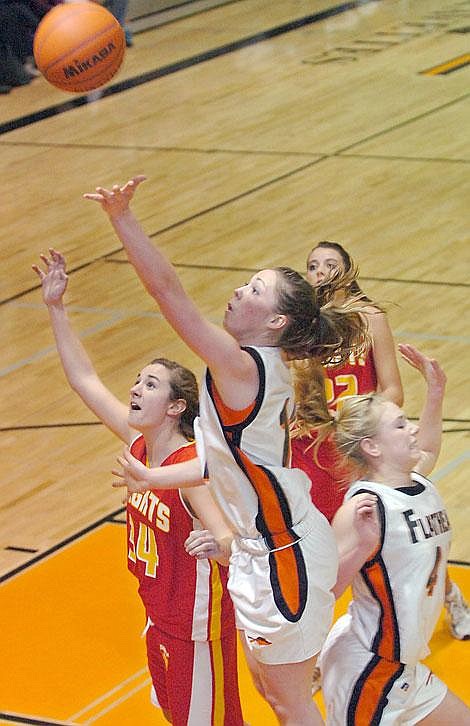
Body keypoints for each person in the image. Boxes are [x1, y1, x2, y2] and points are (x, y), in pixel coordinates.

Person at [83, 175, 369, 725]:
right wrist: (155, 478)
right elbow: (222, 461)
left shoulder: (241, 368)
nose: (240, 291)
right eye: (247, 283)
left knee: (289, 702)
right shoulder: (254, 370)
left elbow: (169, 295)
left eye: (256, 291)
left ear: (276, 322)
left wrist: (123, 219)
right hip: (264, 550)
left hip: (283, 557)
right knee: (274, 693)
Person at [32, 249, 244, 726]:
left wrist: (220, 543)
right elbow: (84, 380)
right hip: (158, 617)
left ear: (176, 407)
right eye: (137, 382)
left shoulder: (188, 469)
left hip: (197, 631)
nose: (135, 390)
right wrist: (57, 308)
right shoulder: (140, 448)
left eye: (151, 385)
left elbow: (230, 541)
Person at [292, 241, 469, 642]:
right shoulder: (301, 329)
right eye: (312, 265)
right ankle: (314, 646)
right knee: (322, 556)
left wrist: (349, 420)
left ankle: (450, 596)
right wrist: (304, 419)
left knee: (399, 545)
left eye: (329, 264)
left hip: (361, 449)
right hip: (314, 454)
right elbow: (293, 396)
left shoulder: (369, 318)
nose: (319, 271)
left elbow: (393, 390)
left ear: (348, 271)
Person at [317, 343, 470, 724]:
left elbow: (430, 444)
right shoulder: (364, 510)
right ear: (371, 447)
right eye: (401, 425)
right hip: (370, 668)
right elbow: (322, 594)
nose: (413, 428)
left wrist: (435, 390)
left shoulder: (416, 483)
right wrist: (360, 550)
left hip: (406, 669)